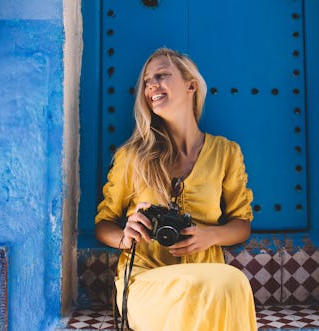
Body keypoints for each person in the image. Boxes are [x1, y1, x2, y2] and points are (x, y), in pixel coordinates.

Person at [95, 47, 257, 331]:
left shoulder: (226, 152)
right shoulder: (132, 155)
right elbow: (104, 223)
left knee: (233, 282)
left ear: (190, 85)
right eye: (146, 81)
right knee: (200, 293)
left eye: (161, 76)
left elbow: (242, 224)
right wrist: (125, 236)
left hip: (207, 276)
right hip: (146, 277)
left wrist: (211, 235)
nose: (151, 86)